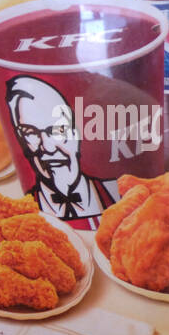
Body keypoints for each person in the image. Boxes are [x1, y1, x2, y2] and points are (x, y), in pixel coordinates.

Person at [6, 76, 114, 228]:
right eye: (31, 133)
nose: (48, 148)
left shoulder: (118, 192)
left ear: (76, 134)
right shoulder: (25, 212)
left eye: (58, 129)